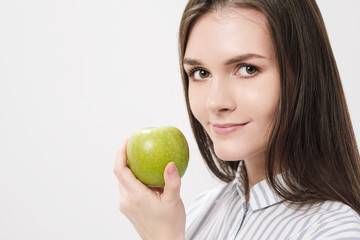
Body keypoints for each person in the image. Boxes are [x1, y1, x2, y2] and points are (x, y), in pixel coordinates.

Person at [114, 0, 360, 239]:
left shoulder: (336, 231)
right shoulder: (200, 212)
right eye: (200, 73)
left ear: (303, 76)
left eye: (247, 69)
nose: (215, 101)